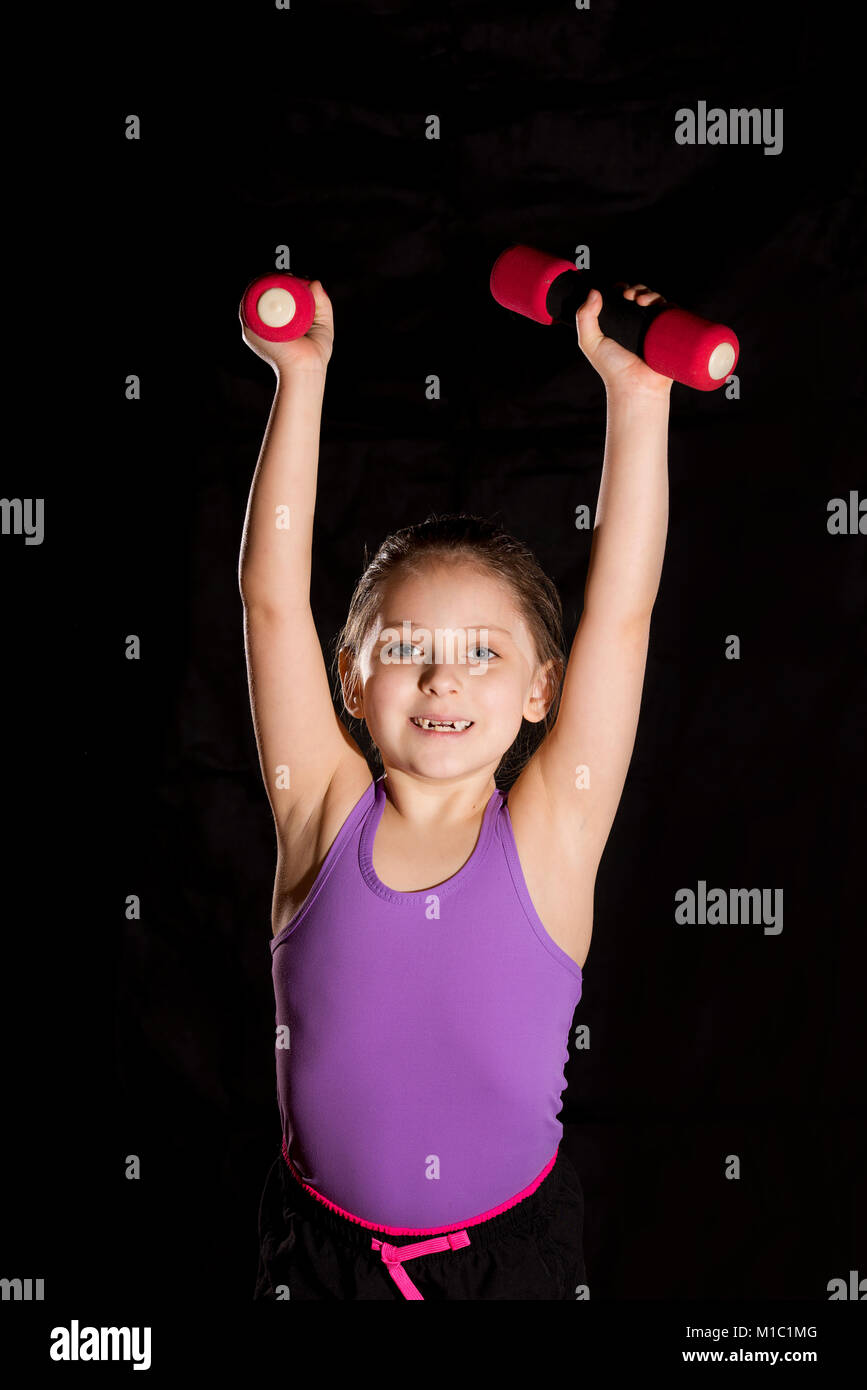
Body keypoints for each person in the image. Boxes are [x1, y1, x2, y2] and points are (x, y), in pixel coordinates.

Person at [239, 272, 672, 1299]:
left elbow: (621, 612)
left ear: (540, 690)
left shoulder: (553, 833)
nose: (443, 676)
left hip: (506, 1268)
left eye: (484, 651)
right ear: (351, 675)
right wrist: (301, 380)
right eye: (407, 647)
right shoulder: (321, 817)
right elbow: (269, 598)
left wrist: (638, 399)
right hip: (320, 1262)